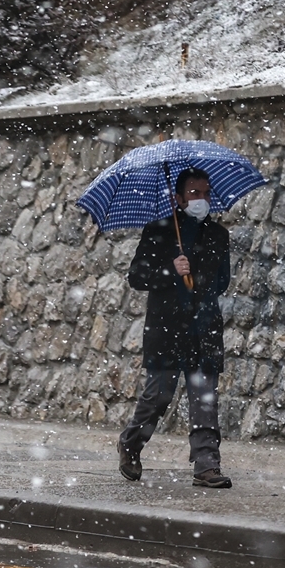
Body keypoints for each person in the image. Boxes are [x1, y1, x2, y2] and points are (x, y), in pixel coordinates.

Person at [117, 167, 233, 488]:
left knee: (204, 398)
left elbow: (222, 281)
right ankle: (130, 444)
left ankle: (207, 465)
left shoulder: (218, 235)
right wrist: (171, 270)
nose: (201, 199)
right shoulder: (158, 231)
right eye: (194, 193)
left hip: (203, 328)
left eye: (206, 193)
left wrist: (198, 276)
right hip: (166, 329)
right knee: (158, 396)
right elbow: (137, 276)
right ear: (178, 198)